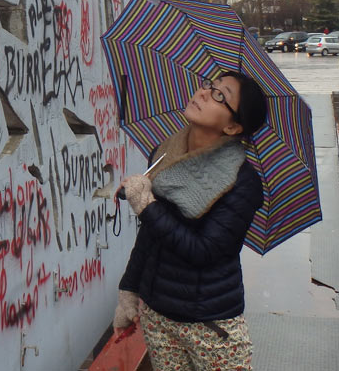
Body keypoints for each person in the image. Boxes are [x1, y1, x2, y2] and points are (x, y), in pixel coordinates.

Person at [113, 71, 266, 371]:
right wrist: (128, 292)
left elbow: (203, 251)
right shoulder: (165, 153)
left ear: (233, 126)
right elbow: (149, 235)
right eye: (210, 85)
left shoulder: (241, 182)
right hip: (159, 317)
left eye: (221, 95)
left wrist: (146, 204)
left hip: (210, 326)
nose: (205, 92)